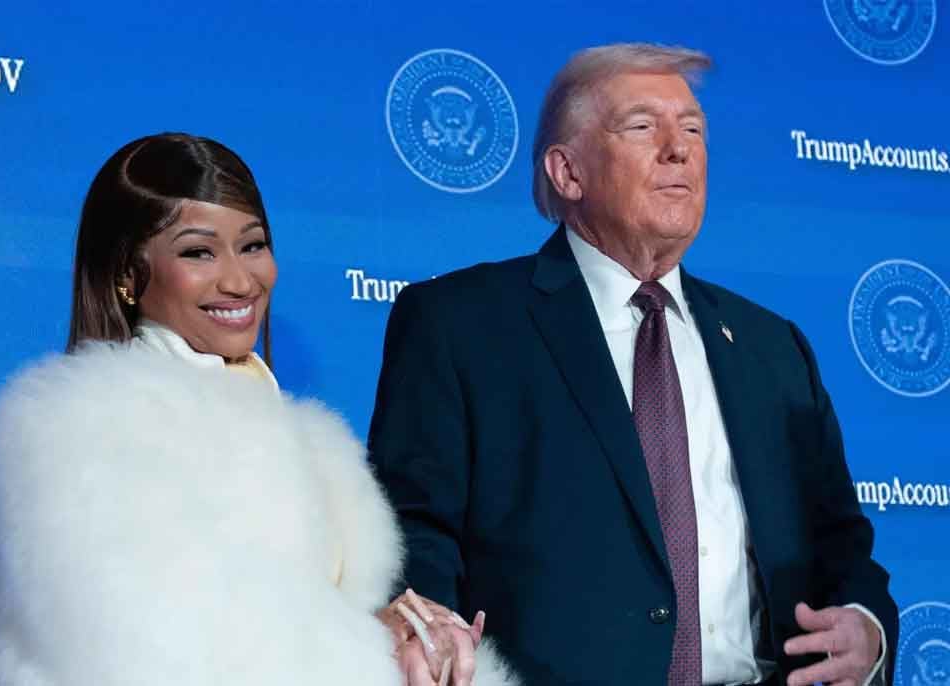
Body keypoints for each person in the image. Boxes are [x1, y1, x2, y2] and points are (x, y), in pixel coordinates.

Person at [367, 44, 898, 685]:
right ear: (568, 172)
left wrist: (867, 626)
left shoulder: (773, 347)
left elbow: (842, 541)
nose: (679, 150)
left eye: (693, 130)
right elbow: (411, 531)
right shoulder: (460, 324)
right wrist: (427, 632)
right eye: (643, 126)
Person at [0, 133, 518, 686]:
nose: (240, 281)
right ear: (126, 273)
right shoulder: (79, 430)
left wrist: (420, 647)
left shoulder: (311, 445)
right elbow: (151, 657)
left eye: (253, 245)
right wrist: (373, 645)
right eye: (198, 252)